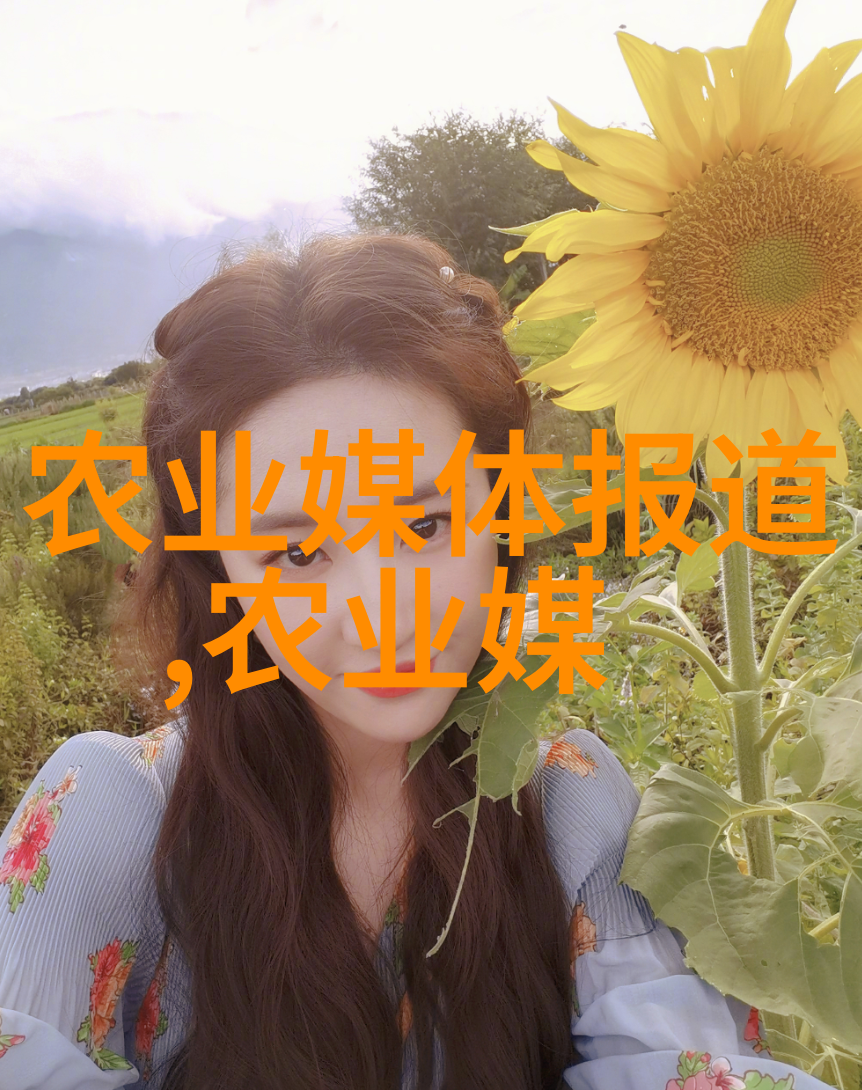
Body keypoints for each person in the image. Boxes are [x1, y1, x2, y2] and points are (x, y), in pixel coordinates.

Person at [0, 234, 832, 1090]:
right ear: (223, 575)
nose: (385, 613)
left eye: (424, 526)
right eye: (300, 553)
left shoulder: (567, 806)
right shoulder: (119, 817)